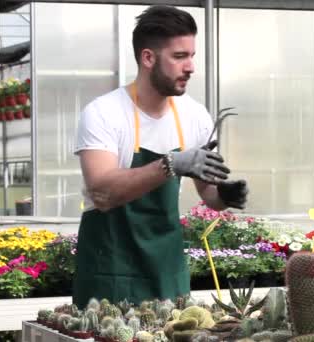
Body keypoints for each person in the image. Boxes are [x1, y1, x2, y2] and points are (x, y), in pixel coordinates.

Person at [72, 5, 248, 308]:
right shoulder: (104, 113)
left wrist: (225, 196)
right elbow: (102, 192)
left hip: (167, 269)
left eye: (191, 56)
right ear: (148, 58)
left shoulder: (195, 117)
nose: (191, 67)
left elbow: (209, 195)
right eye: (179, 57)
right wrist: (171, 164)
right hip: (111, 269)